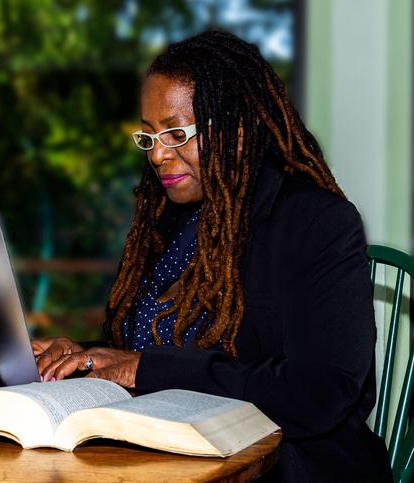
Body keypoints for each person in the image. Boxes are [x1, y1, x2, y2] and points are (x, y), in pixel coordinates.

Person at [32, 31, 392, 482]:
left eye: (177, 133)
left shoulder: (316, 222)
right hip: (165, 455)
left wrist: (143, 369)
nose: (160, 154)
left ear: (236, 128)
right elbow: (147, 350)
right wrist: (82, 356)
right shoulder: (168, 221)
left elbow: (318, 393)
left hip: (283, 467)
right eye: (149, 136)